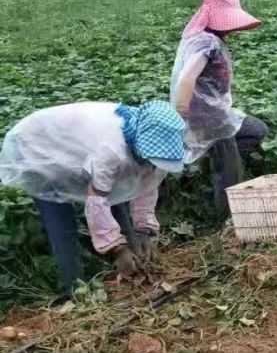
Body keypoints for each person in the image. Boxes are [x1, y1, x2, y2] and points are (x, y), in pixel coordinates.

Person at [0, 101, 187, 292]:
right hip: (37, 147)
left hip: (78, 146)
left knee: (116, 200)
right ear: (141, 146)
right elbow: (96, 200)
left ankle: (136, 260)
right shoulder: (112, 150)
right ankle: (74, 289)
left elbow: (146, 185)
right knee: (61, 222)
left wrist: (144, 232)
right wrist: (118, 250)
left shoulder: (156, 142)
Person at [171, 0, 269, 214]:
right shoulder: (206, 43)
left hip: (218, 113)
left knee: (256, 130)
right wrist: (181, 116)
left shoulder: (205, 39)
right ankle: (227, 220)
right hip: (208, 119)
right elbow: (186, 80)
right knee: (229, 174)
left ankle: (216, 166)